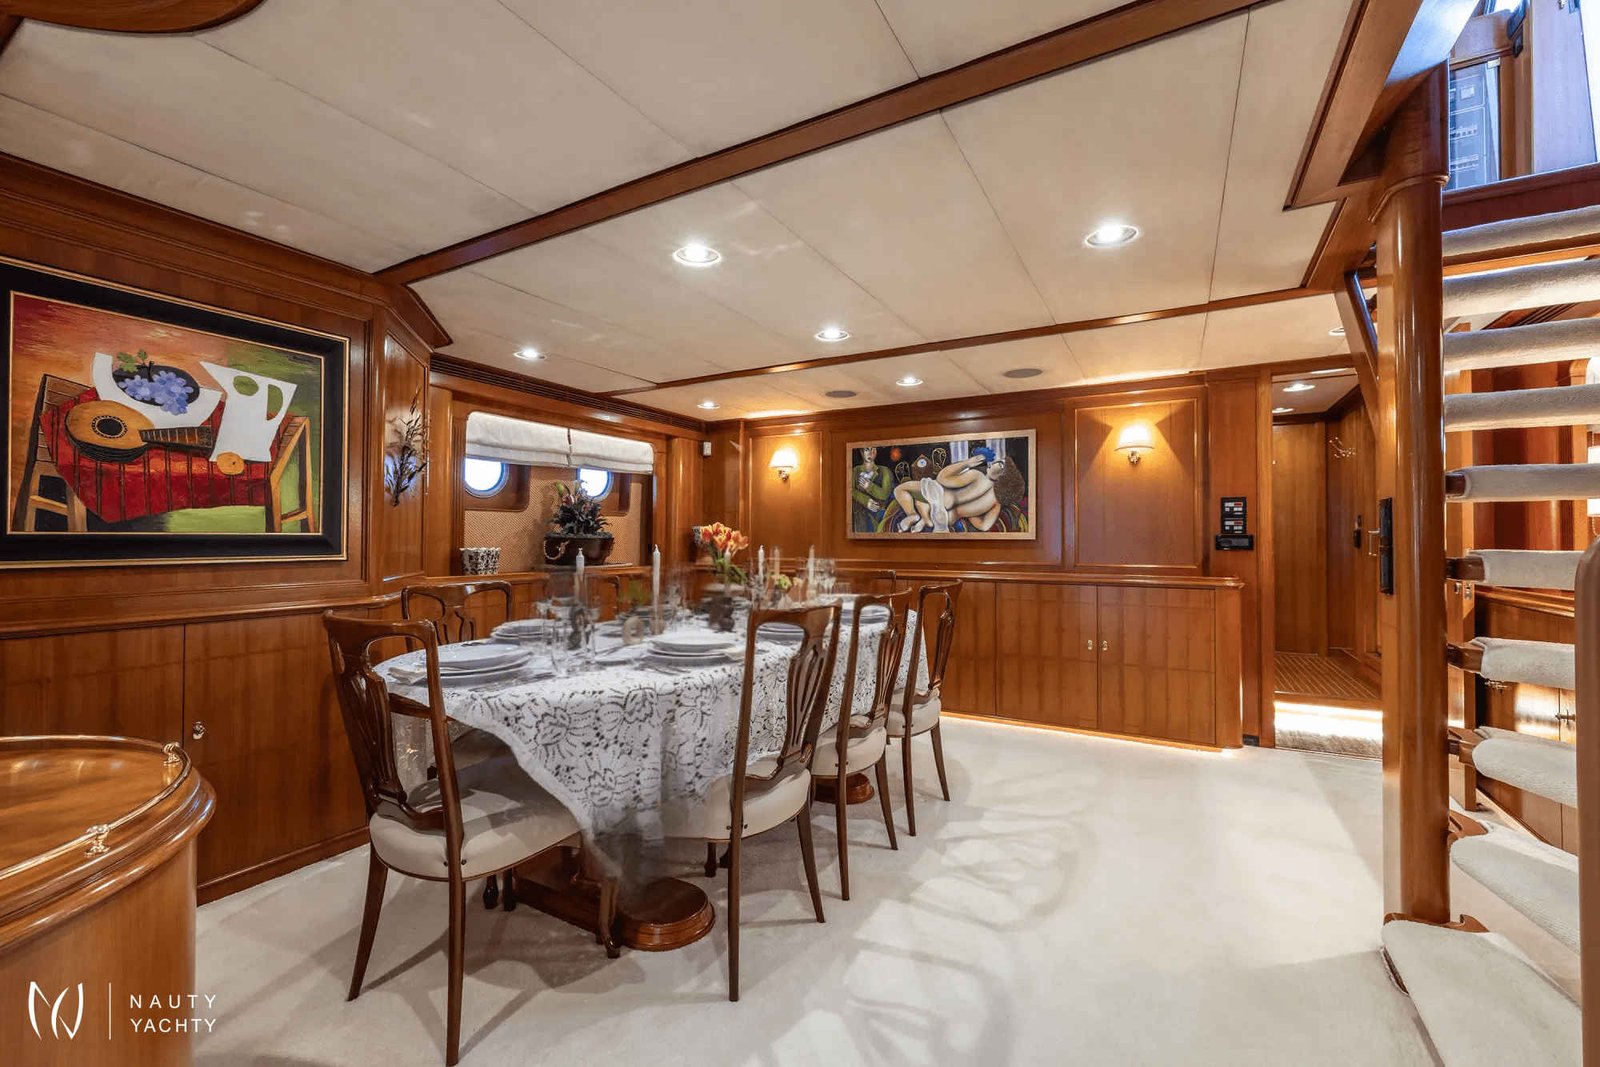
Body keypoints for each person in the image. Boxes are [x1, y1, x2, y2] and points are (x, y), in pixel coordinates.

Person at [850, 445, 894, 533]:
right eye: (867, 450)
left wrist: (869, 486)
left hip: (878, 513)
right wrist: (866, 501)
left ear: (876, 452)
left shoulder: (885, 471)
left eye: (873, 449)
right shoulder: (855, 471)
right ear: (862, 452)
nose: (870, 453)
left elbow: (885, 494)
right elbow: (850, 490)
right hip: (860, 514)